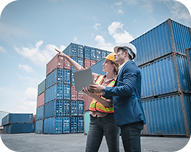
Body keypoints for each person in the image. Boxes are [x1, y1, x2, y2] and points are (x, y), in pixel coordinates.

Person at [55, 49, 120, 152]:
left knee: (113, 150)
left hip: (110, 120)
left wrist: (93, 96)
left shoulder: (117, 83)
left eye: (106, 62)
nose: (103, 64)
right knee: (90, 150)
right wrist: (66, 57)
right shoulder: (98, 77)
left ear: (113, 65)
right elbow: (81, 69)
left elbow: (109, 104)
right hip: (94, 119)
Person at [89, 43, 146, 152]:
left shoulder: (130, 67)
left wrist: (103, 90)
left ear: (125, 53)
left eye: (117, 52)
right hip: (126, 119)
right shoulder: (123, 69)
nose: (115, 55)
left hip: (131, 118)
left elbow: (127, 89)